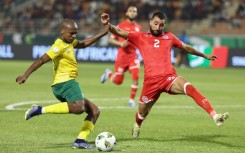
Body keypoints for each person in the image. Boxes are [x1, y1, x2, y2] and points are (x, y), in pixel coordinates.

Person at [101, 12, 229, 139]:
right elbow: (119, 31)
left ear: (164, 25)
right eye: (156, 23)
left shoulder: (169, 37)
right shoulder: (140, 37)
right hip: (150, 83)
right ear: (151, 22)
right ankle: (137, 125)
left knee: (189, 88)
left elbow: (186, 47)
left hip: (169, 77)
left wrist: (204, 55)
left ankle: (214, 115)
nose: (158, 27)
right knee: (142, 112)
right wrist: (108, 24)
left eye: (161, 25)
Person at [16, 19, 109, 149]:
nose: (74, 36)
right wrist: (25, 75)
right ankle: (39, 110)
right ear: (62, 31)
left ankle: (80, 140)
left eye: (75, 33)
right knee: (79, 108)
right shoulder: (58, 46)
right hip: (64, 82)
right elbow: (42, 59)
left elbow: (83, 43)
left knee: (94, 110)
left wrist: (103, 33)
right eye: (71, 33)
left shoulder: (70, 42)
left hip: (67, 83)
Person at [100, 6, 142, 107]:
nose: (132, 13)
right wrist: (120, 44)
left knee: (136, 76)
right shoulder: (121, 25)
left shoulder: (138, 27)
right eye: (130, 11)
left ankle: (131, 101)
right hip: (122, 57)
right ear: (127, 13)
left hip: (133, 56)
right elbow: (111, 39)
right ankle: (109, 74)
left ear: (136, 14)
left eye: (134, 11)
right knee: (118, 81)